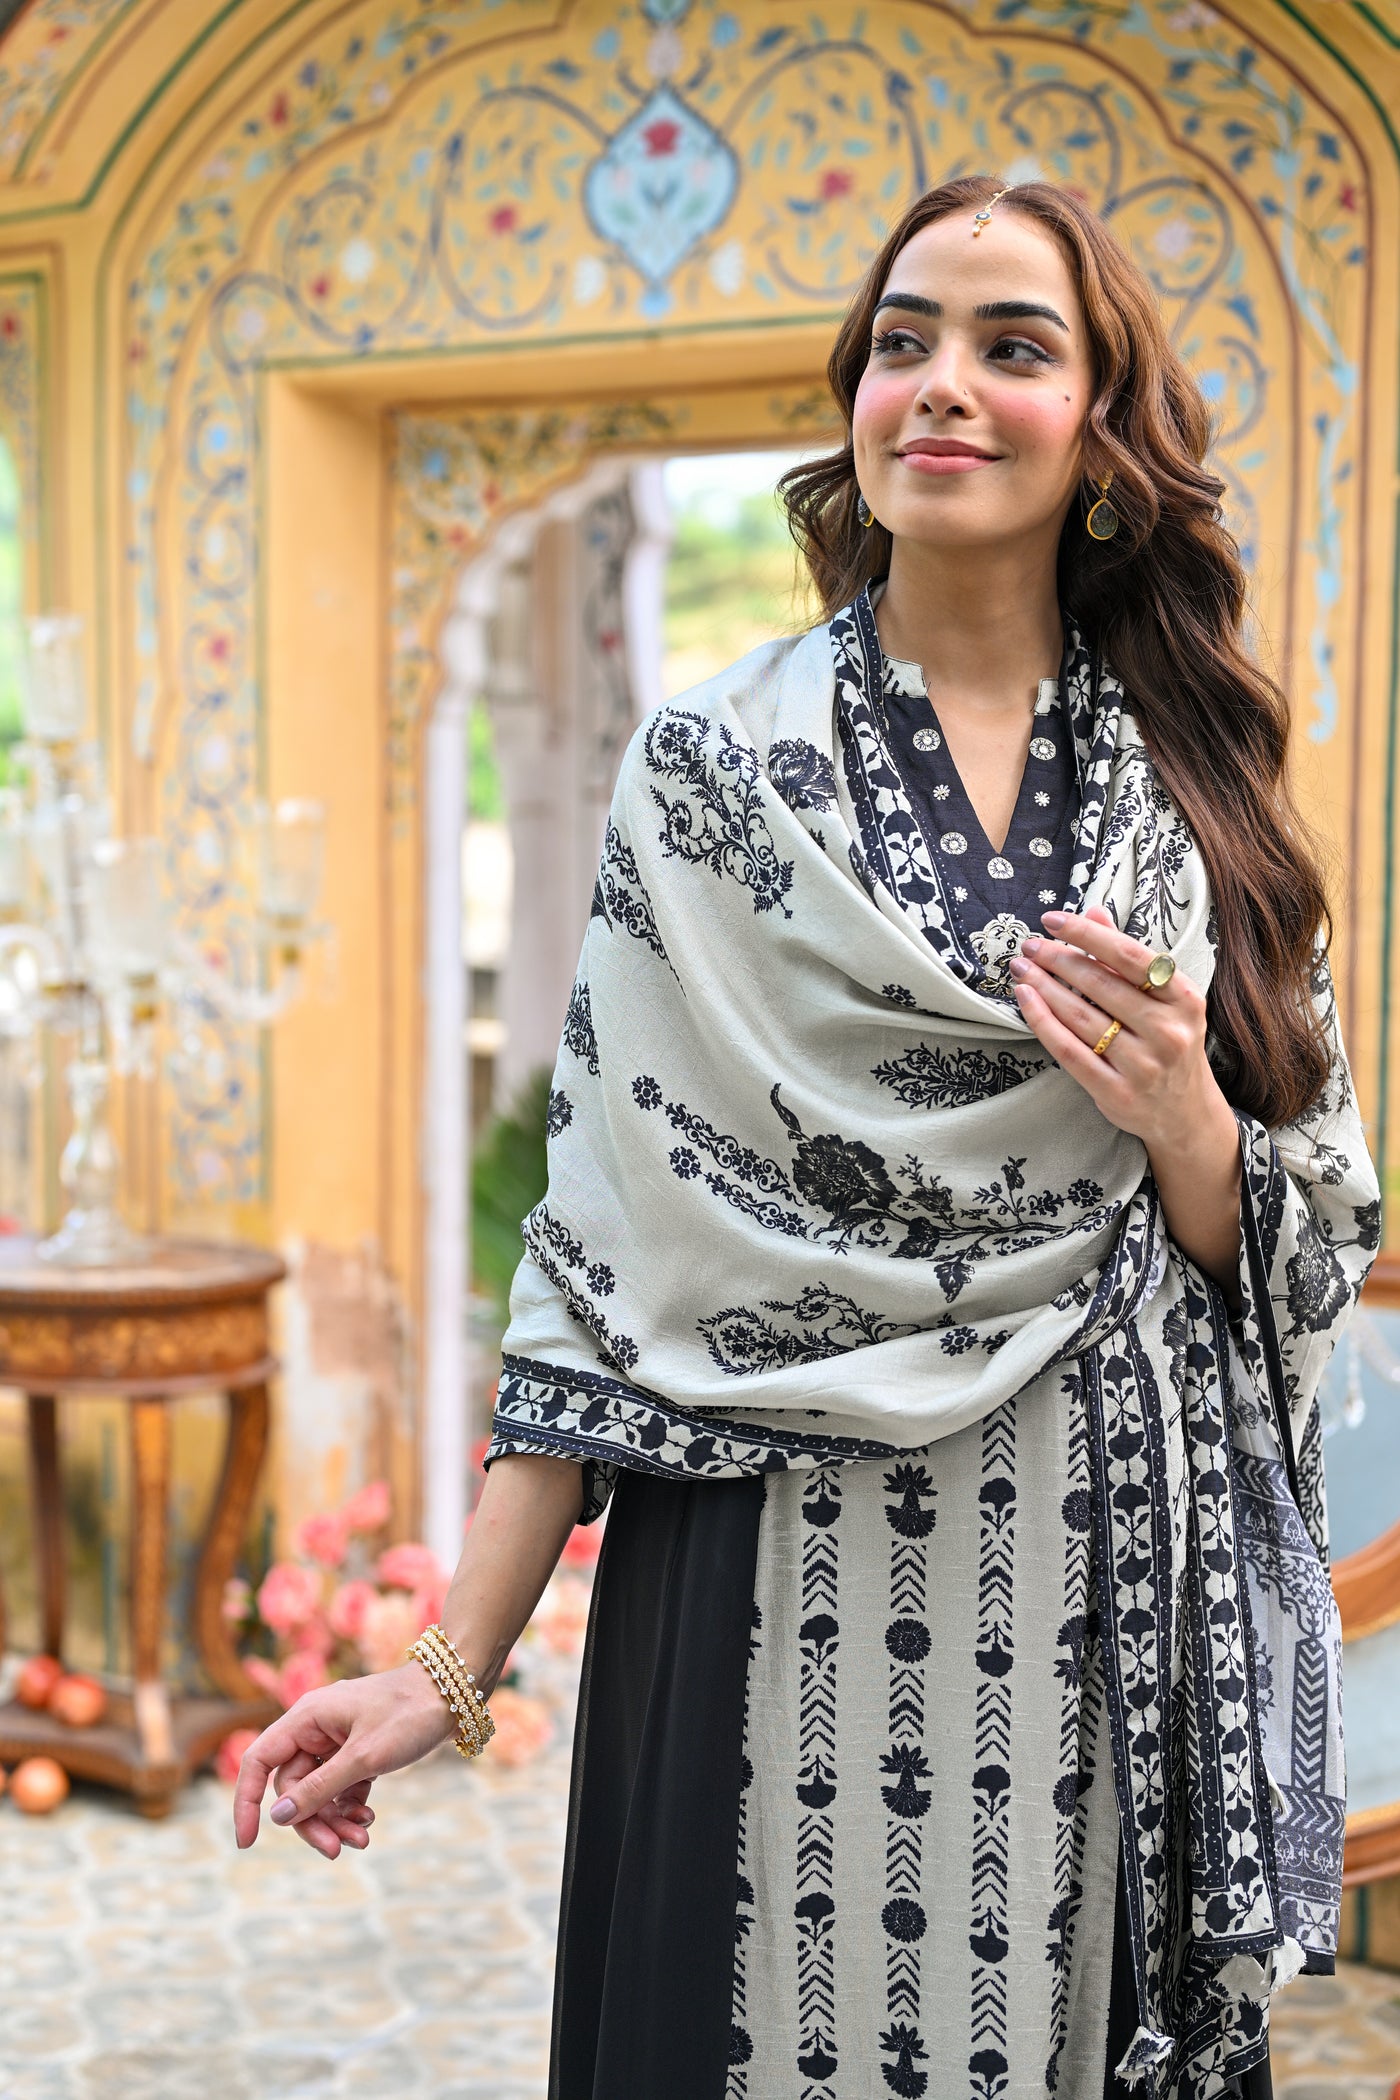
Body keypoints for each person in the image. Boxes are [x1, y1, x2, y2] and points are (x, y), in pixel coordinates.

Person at [234, 177, 1379, 2100]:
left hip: (1105, 1597)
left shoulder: (1198, 789)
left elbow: (1309, 1234)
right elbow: (606, 1257)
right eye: (901, 342)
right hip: (762, 1567)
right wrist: (447, 1668)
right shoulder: (710, 770)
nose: (943, 383)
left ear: (1099, 432)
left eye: (1013, 347)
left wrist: (1185, 1114)